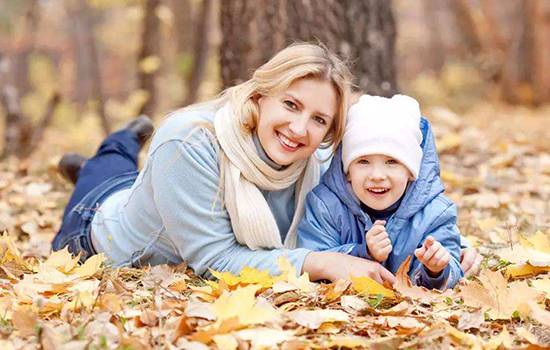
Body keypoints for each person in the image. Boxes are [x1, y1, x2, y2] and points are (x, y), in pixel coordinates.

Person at [53, 43, 482, 284]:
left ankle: (107, 159)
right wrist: (320, 262)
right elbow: (215, 259)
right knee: (107, 169)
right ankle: (121, 141)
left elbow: (374, 197)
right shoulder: (189, 141)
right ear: (259, 95)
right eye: (290, 105)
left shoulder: (319, 155)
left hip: (159, 194)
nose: (299, 129)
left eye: (319, 119)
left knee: (122, 176)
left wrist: (444, 249)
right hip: (100, 234)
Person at [298, 94, 469, 289]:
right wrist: (363, 252)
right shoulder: (326, 205)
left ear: (411, 171)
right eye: (363, 161)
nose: (377, 175)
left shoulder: (435, 213)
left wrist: (435, 270)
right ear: (348, 171)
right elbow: (314, 257)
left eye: (392, 161)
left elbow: (453, 266)